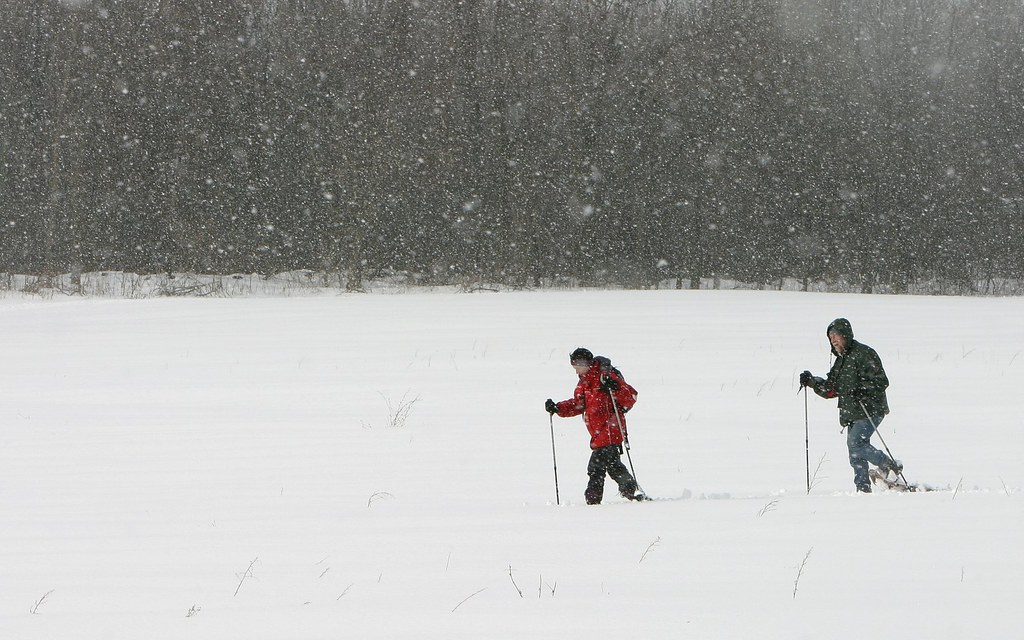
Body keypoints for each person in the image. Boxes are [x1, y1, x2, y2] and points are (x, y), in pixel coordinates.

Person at [800, 318, 903, 493]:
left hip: (870, 408)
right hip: (851, 412)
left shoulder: (864, 353)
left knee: (856, 444)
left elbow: (881, 381)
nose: (833, 340)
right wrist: (812, 382)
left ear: (846, 335)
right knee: (855, 452)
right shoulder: (841, 361)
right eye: (830, 337)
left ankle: (889, 466)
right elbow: (831, 389)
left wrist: (863, 389)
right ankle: (862, 489)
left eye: (836, 335)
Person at [545, 347, 644, 504]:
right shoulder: (584, 383)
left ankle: (593, 500)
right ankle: (632, 491)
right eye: (573, 366)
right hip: (598, 433)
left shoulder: (605, 375)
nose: (576, 371)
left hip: (611, 428)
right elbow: (578, 404)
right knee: (613, 466)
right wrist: (558, 408)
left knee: (596, 466)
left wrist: (615, 387)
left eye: (577, 366)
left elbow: (630, 397)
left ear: (585, 363)